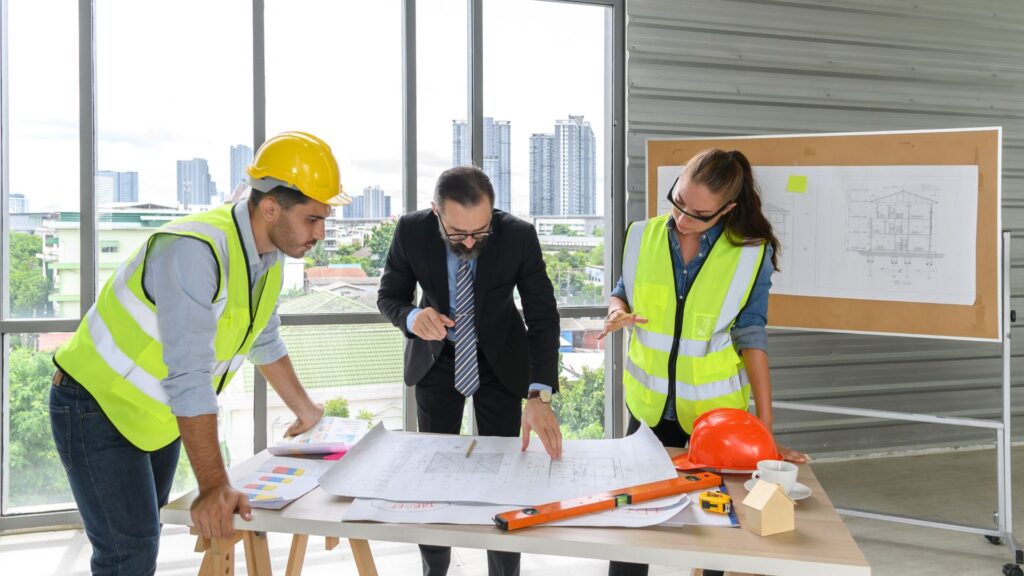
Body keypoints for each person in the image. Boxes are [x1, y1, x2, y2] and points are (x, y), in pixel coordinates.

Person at [49, 131, 347, 575]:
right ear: (270, 208)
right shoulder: (195, 250)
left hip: (155, 414)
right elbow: (189, 375)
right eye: (312, 219)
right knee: (126, 555)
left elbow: (263, 338)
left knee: (140, 544)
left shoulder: (269, 257)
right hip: (95, 405)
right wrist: (214, 486)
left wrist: (306, 411)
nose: (320, 234)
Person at [598, 149, 808, 576]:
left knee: (713, 528)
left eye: (699, 213)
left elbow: (752, 337)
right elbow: (622, 288)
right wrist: (615, 310)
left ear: (728, 210)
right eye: (677, 201)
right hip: (648, 410)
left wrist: (764, 433)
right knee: (629, 523)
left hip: (718, 421)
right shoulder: (641, 234)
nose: (682, 218)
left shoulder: (751, 253)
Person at [378, 165, 562, 576]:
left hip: (501, 362)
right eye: (458, 233)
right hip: (437, 360)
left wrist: (539, 395)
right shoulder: (411, 230)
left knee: (505, 478)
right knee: (434, 473)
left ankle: (503, 570)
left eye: (480, 232)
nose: (470, 241)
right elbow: (389, 296)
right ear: (435, 212)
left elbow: (543, 316)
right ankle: (435, 566)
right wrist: (411, 317)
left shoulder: (517, 235)